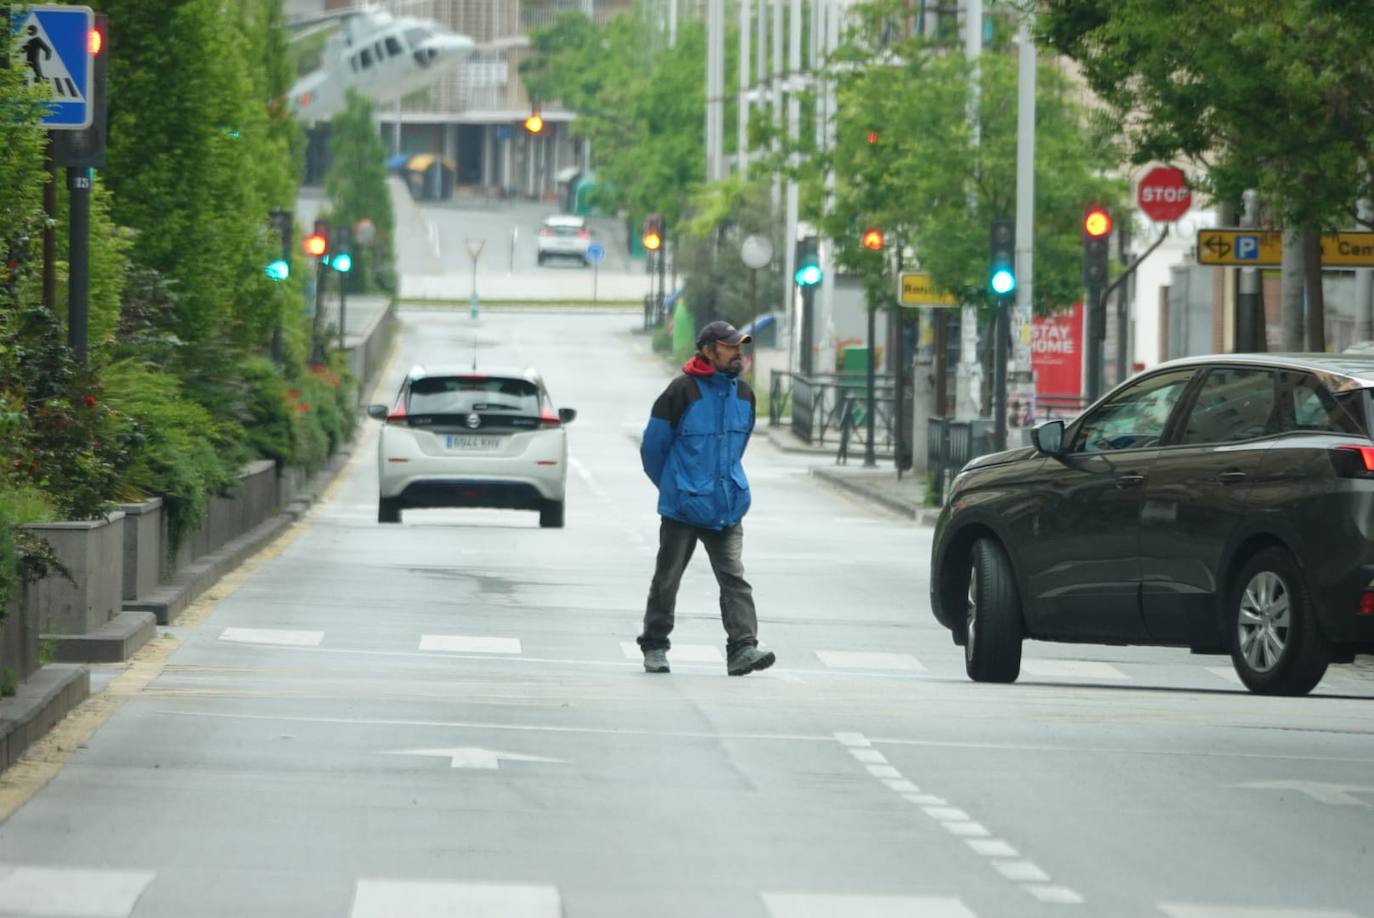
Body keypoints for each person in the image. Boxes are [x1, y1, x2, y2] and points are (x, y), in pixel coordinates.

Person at [637, 320, 776, 677]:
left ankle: (743, 648)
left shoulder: (744, 394)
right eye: (731, 347)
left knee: (734, 579)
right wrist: (675, 487)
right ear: (709, 350)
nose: (738, 353)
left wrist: (723, 483)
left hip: (726, 506)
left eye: (740, 346)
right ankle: (654, 645)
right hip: (683, 507)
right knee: (667, 579)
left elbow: (736, 449)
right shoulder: (680, 392)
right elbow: (653, 449)